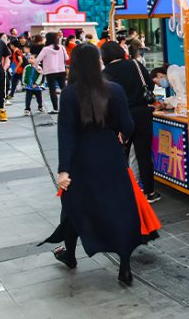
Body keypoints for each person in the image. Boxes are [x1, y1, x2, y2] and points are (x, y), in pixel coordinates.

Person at [41, 44, 159, 285]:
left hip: (81, 160)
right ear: (98, 63)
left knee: (73, 207)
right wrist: (118, 133)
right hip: (111, 157)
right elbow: (128, 125)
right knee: (119, 208)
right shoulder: (114, 90)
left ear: (74, 65)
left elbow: (66, 134)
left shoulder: (70, 93)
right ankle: (125, 267)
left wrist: (64, 169)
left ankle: (70, 254)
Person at [101, 41, 159, 203]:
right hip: (142, 114)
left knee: (122, 155)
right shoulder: (135, 64)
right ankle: (150, 192)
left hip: (120, 117)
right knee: (143, 155)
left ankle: (126, 191)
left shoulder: (106, 73)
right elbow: (150, 85)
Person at [35, 32, 68, 114]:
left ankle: (55, 108)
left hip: (50, 72)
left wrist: (38, 68)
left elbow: (37, 60)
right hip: (61, 70)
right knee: (64, 89)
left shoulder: (45, 49)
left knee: (52, 90)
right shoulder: (61, 47)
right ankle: (68, 107)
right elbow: (67, 58)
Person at [22, 49, 45, 115]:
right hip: (29, 86)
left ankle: (40, 106)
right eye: (29, 58)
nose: (30, 59)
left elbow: (41, 76)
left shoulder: (38, 68)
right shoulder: (27, 67)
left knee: (39, 98)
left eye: (32, 58)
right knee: (28, 99)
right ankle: (27, 109)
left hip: (37, 87)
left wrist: (36, 84)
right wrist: (23, 83)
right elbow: (24, 74)